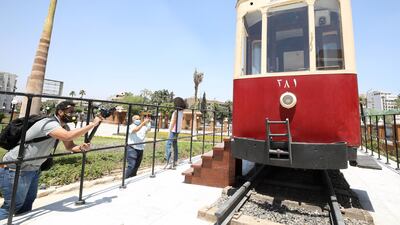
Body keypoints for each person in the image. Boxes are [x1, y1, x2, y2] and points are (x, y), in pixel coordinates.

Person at [0, 101, 103, 220]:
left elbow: (69, 146)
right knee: (12, 206)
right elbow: (67, 136)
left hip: (33, 169)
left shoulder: (64, 126)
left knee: (26, 205)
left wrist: (81, 148)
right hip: (15, 168)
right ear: (60, 112)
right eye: (70, 112)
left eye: (74, 111)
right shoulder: (49, 123)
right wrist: (92, 125)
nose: (73, 114)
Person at [164, 97, 186, 169]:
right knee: (175, 144)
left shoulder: (175, 112)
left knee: (168, 144)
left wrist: (169, 130)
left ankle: (169, 162)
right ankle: (175, 160)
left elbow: (173, 121)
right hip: (177, 130)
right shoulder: (181, 112)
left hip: (173, 130)